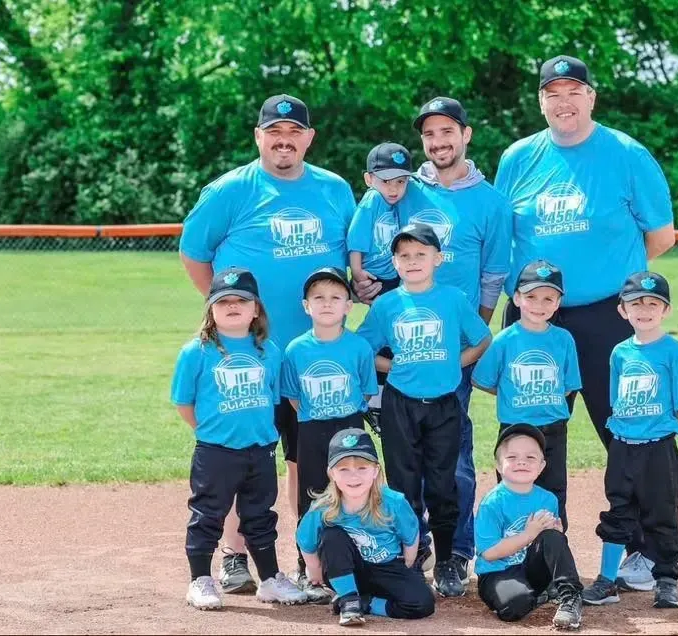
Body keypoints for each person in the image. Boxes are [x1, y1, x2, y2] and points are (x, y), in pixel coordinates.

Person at [494, 55, 676, 588]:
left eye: (574, 91)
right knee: (529, 435)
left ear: (591, 97)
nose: (564, 102)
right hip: (534, 316)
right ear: (540, 102)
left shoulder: (626, 153)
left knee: (627, 429)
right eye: (553, 93)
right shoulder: (518, 157)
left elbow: (661, 236)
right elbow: (501, 234)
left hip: (605, 315)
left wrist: (610, 277)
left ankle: (644, 550)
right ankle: (532, 549)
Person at [179, 94, 356, 594]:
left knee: (305, 459)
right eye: (274, 132)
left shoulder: (334, 189)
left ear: (308, 138)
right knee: (240, 454)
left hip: (312, 354)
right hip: (249, 354)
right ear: (259, 136)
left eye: (294, 132)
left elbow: (353, 254)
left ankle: (306, 557)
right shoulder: (230, 190)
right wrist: (232, 317)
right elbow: (193, 253)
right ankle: (234, 556)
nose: (284, 141)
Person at [354, 97, 510, 585]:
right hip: (401, 343)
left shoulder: (490, 201)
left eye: (447, 132)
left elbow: (493, 275)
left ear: (466, 135)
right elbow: (373, 245)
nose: (439, 142)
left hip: (451, 348)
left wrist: (464, 343)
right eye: (429, 134)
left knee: (453, 461)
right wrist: (360, 281)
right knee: (404, 462)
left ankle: (455, 552)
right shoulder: (403, 187)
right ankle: (410, 546)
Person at [356, 222, 491, 598]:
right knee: (403, 487)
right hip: (401, 404)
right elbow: (363, 348)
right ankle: (412, 559)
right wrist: (391, 367)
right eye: (404, 255)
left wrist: (455, 363)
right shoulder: (387, 305)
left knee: (443, 485)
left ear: (438, 259)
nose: (412, 261)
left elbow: (482, 338)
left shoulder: (452, 299)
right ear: (395, 263)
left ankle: (446, 560)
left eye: (421, 254)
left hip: (444, 404)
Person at [171, 267, 307, 609]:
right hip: (216, 450)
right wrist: (208, 432)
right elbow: (184, 404)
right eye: (223, 301)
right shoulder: (196, 352)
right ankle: (200, 580)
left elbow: (272, 399)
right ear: (211, 310)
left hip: (260, 448)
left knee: (260, 514)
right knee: (208, 513)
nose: (232, 306)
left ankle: (270, 579)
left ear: (255, 309)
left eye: (241, 301)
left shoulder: (269, 351)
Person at [579, 272, 678, 610]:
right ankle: (606, 580)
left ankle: (666, 580)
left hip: (658, 447)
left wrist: (663, 432)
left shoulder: (674, 352)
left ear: (666, 310)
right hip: (622, 445)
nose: (644, 310)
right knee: (618, 511)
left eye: (653, 304)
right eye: (636, 304)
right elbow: (616, 399)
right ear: (622, 310)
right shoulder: (619, 353)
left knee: (662, 513)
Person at [281, 267, 378, 602]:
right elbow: (293, 397)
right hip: (311, 428)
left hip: (349, 426)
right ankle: (307, 567)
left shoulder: (359, 347)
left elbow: (366, 390)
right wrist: (317, 414)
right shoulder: (296, 349)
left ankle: (358, 562)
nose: (327, 303)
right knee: (312, 498)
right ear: (306, 306)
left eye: (336, 297)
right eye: (318, 297)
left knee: (356, 492)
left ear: (348, 306)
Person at [472, 260, 580, 529]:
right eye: (531, 297)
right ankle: (512, 546)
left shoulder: (564, 339)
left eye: (548, 298)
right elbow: (481, 379)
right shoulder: (504, 340)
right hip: (516, 428)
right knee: (513, 490)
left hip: (553, 428)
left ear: (558, 303)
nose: (539, 305)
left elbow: (568, 385)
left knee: (554, 491)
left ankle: (553, 545)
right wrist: (511, 393)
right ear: (517, 298)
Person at [297, 428, 435, 626]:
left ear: (375, 471)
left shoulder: (393, 502)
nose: (353, 476)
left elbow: (410, 535)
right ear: (331, 473)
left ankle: (366, 603)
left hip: (386, 568)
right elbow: (306, 542)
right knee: (332, 536)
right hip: (344, 570)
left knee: (424, 602)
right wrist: (315, 570)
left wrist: (408, 564)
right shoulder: (322, 508)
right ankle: (349, 601)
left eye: (362, 468)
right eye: (343, 469)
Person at [474, 425, 584, 630]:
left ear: (542, 466)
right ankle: (537, 595)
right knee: (515, 606)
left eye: (530, 457)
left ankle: (570, 597)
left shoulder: (548, 499)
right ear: (498, 465)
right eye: (512, 457)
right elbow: (488, 553)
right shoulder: (492, 503)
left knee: (553, 537)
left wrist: (554, 535)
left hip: (531, 571)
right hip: (497, 572)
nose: (522, 462)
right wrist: (528, 534)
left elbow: (549, 542)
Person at [348, 142, 414, 296]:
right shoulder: (373, 199)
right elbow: (356, 238)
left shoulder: (394, 202)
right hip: (375, 275)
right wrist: (357, 272)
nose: (393, 188)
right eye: (385, 181)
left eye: (400, 181)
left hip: (392, 273)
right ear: (369, 179)